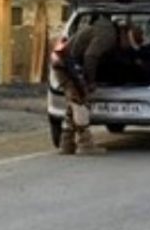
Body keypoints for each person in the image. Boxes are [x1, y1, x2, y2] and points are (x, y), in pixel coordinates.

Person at [49, 15, 114, 155]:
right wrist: (90, 83)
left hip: (62, 62)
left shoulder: (97, 28)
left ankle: (66, 143)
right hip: (68, 65)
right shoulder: (107, 34)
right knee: (80, 102)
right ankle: (85, 144)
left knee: (73, 104)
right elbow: (90, 56)